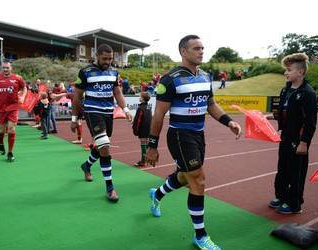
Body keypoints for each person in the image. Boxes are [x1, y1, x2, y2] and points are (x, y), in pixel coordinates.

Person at [145, 35, 242, 250]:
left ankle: (157, 194)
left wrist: (229, 122)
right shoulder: (170, 79)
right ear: (183, 51)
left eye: (202, 48)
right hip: (180, 135)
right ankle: (200, 235)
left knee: (183, 177)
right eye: (196, 48)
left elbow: (211, 104)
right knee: (198, 180)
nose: (201, 51)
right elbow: (159, 114)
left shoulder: (205, 76)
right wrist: (152, 146)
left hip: (199, 135)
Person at [70, 43, 133, 203]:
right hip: (92, 112)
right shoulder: (85, 72)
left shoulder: (114, 71)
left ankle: (86, 165)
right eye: (104, 58)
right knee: (105, 147)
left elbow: (117, 91)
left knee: (100, 147)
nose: (108, 61)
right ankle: (110, 188)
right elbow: (77, 96)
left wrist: (125, 109)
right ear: (97, 56)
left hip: (108, 113)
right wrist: (74, 119)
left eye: (110, 58)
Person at [265, 53, 317, 214]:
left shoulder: (307, 93)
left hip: (298, 141)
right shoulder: (285, 90)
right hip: (285, 138)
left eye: (288, 70)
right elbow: (284, 113)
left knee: (296, 173)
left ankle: (294, 203)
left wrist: (304, 142)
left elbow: (310, 122)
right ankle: (281, 196)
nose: (285, 73)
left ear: (299, 72)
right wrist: (268, 117)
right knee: (282, 169)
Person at [0, 60, 27, 162]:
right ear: (1, 68)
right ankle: (1, 142)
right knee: (2, 130)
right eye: (4, 68)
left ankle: (10, 152)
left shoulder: (17, 78)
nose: (5, 69)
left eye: (7, 67)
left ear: (11, 68)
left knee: (11, 129)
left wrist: (23, 97)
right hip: (0, 109)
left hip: (13, 107)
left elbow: (24, 88)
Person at [132, 91, 152, 167]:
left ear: (143, 99)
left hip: (143, 129)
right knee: (146, 144)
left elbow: (138, 120)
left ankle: (144, 161)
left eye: (140, 96)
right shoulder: (148, 107)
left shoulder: (140, 108)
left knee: (143, 144)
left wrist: (135, 129)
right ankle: (147, 159)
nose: (139, 98)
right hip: (148, 128)